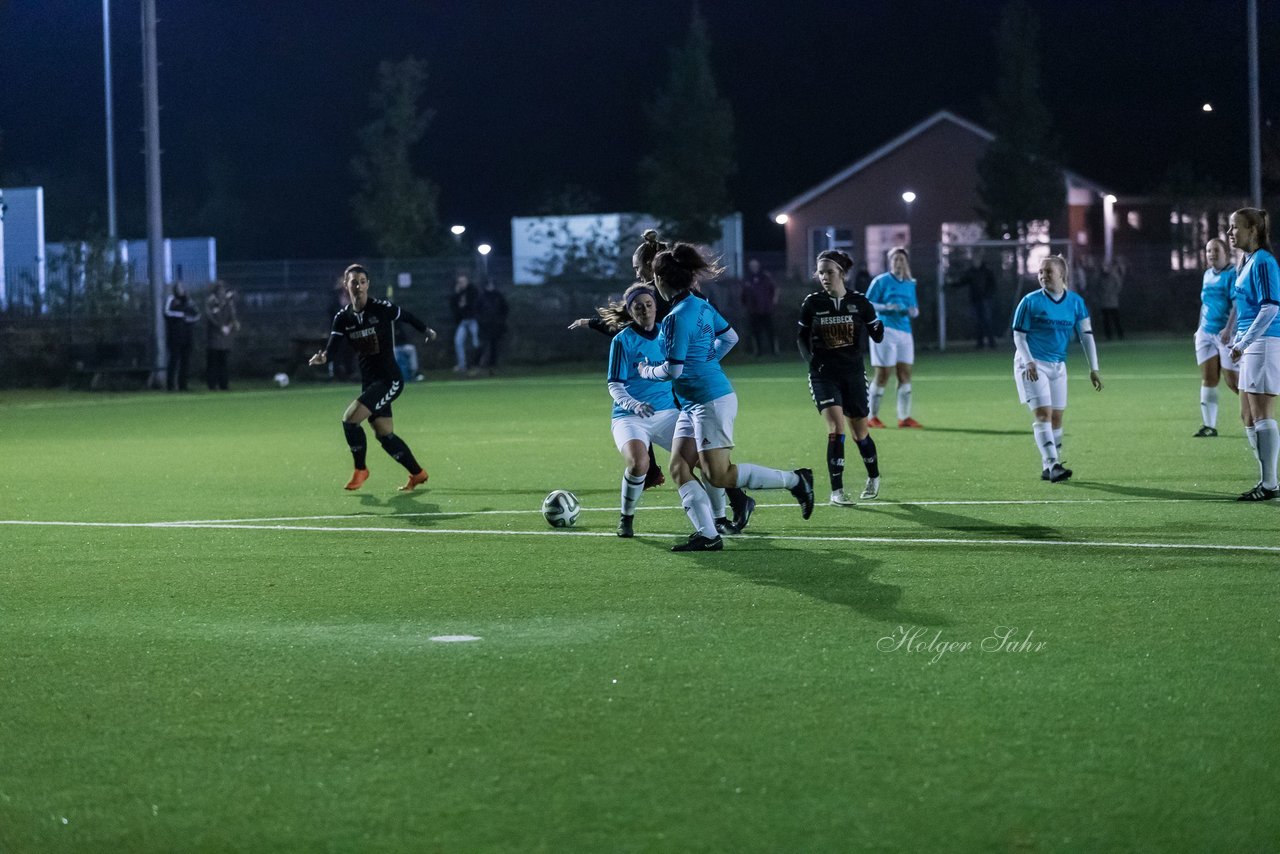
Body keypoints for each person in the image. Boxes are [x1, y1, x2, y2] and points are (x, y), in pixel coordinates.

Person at [638, 243, 814, 552]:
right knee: (679, 468)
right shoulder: (700, 304)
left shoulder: (676, 316)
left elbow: (674, 370)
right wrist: (708, 361)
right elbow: (731, 336)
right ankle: (708, 536)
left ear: (664, 280)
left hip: (710, 402)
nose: (653, 283)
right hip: (696, 403)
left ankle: (796, 481)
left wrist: (645, 371)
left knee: (718, 475)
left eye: (654, 277)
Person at [308, 264, 438, 491]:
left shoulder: (381, 308)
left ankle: (361, 470)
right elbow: (333, 348)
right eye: (353, 281)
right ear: (345, 285)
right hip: (369, 381)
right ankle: (418, 473)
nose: (358, 285)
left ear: (368, 284)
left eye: (362, 281)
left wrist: (426, 330)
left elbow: (405, 315)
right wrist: (324, 358)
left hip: (389, 380)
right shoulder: (343, 317)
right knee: (384, 434)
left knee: (350, 420)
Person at [798, 250, 886, 505]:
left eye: (829, 272)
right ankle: (837, 491)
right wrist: (810, 359)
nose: (824, 277)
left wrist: (880, 328)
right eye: (821, 272)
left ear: (842, 273)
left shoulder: (860, 303)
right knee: (836, 427)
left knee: (860, 433)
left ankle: (873, 476)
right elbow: (801, 336)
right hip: (824, 376)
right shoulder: (813, 303)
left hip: (854, 375)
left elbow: (876, 335)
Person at [1010, 254, 1103, 482]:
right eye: (1040, 272)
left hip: (1058, 365)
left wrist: (1094, 368)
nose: (1043, 276)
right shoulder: (1030, 301)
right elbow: (1019, 336)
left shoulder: (1075, 302)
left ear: (1062, 274)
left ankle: (1049, 465)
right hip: (1031, 363)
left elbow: (1086, 336)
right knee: (1043, 414)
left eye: (1048, 271)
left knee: (1057, 419)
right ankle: (1053, 465)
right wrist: (1029, 361)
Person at [603, 283, 682, 538]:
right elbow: (614, 385)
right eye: (638, 307)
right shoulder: (622, 341)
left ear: (656, 307)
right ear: (630, 310)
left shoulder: (667, 334)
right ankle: (626, 518)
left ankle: (717, 519)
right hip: (629, 418)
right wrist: (634, 404)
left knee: (702, 458)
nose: (645, 310)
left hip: (667, 414)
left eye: (649, 305)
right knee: (639, 464)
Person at [1226, 207, 1280, 501]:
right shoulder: (1246, 261)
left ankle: (1270, 484)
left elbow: (1271, 307)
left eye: (1234, 227)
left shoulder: (1264, 261)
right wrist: (1237, 339)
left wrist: (1243, 342)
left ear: (1253, 230)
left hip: (1265, 343)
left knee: (1261, 415)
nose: (1229, 233)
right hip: (1251, 343)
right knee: (1247, 415)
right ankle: (1266, 478)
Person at [866, 246, 921, 428]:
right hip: (885, 331)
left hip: (905, 332)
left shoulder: (910, 283)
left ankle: (904, 417)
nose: (898, 263)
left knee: (905, 373)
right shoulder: (881, 281)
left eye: (901, 260)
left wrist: (913, 312)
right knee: (883, 374)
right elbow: (866, 304)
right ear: (890, 262)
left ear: (906, 262)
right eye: (895, 259)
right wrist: (886, 307)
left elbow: (914, 308)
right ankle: (872, 417)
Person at [1193, 238, 1239, 437]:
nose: (1211, 254)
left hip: (1225, 334)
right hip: (1206, 333)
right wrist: (1198, 329)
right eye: (1208, 250)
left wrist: (1229, 329)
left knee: (1233, 381)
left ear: (1226, 252)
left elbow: (1237, 304)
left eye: (1216, 250)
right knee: (1209, 378)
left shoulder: (1233, 274)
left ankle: (1257, 412)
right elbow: (1205, 304)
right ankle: (1209, 426)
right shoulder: (1207, 274)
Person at [955, 253, 998, 349]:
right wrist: (952, 283)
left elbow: (993, 285)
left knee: (987, 321)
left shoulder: (987, 272)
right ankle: (980, 343)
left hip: (986, 300)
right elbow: (962, 281)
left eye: (977, 260)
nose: (975, 262)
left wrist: (988, 295)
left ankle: (992, 343)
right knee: (978, 322)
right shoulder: (971, 272)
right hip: (975, 300)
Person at [163, 282, 200, 392]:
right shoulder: (171, 300)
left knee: (185, 361)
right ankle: (170, 386)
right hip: (174, 336)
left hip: (187, 336)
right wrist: (181, 316)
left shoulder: (189, 301)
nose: (181, 290)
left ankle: (183, 385)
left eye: (182, 287)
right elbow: (166, 313)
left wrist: (189, 320)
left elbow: (197, 314)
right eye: (179, 288)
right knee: (174, 361)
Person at [204, 280, 239, 391]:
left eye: (223, 290)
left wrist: (229, 326)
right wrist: (220, 327)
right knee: (213, 363)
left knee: (223, 362)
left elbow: (232, 316)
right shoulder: (210, 302)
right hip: (214, 338)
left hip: (225, 338)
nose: (222, 292)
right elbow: (210, 317)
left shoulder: (229, 303)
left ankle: (224, 384)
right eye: (219, 290)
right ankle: (212, 385)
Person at [741, 258, 779, 357]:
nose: (754, 268)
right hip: (753, 311)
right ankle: (758, 352)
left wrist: (773, 302)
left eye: (755, 266)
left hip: (766, 309)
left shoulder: (766, 277)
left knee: (770, 331)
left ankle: (773, 352)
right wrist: (747, 305)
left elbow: (774, 290)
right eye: (752, 266)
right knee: (756, 332)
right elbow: (744, 295)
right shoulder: (748, 279)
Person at [476, 279, 510, 374]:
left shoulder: (498, 296)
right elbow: (477, 310)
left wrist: (501, 320)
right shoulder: (481, 297)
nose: (491, 286)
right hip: (485, 327)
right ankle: (479, 365)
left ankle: (492, 366)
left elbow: (505, 309)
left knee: (495, 347)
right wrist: (482, 321)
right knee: (483, 346)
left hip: (496, 326)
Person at [449, 273, 481, 374]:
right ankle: (462, 365)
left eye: (463, 281)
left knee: (476, 342)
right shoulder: (458, 293)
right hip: (463, 321)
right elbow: (454, 307)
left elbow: (474, 305)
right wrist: (457, 294)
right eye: (459, 282)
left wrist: (465, 305)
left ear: (467, 281)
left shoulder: (473, 291)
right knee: (458, 341)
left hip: (472, 320)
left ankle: (476, 364)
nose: (461, 284)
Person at [1096, 259, 1125, 340]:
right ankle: (1108, 335)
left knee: (1115, 319)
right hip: (1105, 301)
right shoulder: (1100, 277)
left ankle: (1120, 334)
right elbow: (1098, 287)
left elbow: (1118, 286)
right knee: (1106, 320)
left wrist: (1113, 293)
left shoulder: (1114, 276)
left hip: (1112, 301)